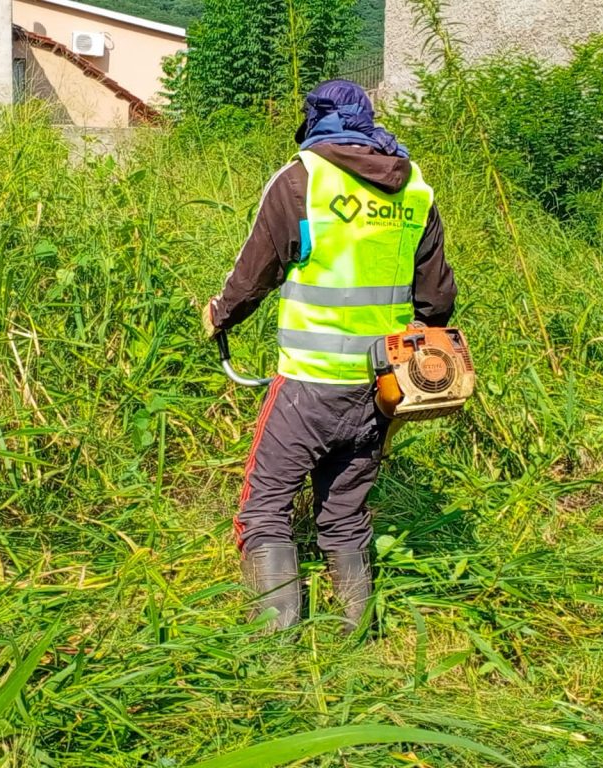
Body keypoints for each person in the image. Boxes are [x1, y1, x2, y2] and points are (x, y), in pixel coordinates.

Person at [202, 80, 457, 632]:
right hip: (384, 387)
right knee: (345, 513)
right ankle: (356, 639)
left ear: (315, 120)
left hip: (307, 384)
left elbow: (254, 275)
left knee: (264, 508)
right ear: (368, 122)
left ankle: (274, 642)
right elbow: (437, 301)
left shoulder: (303, 179)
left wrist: (220, 314)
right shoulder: (414, 188)